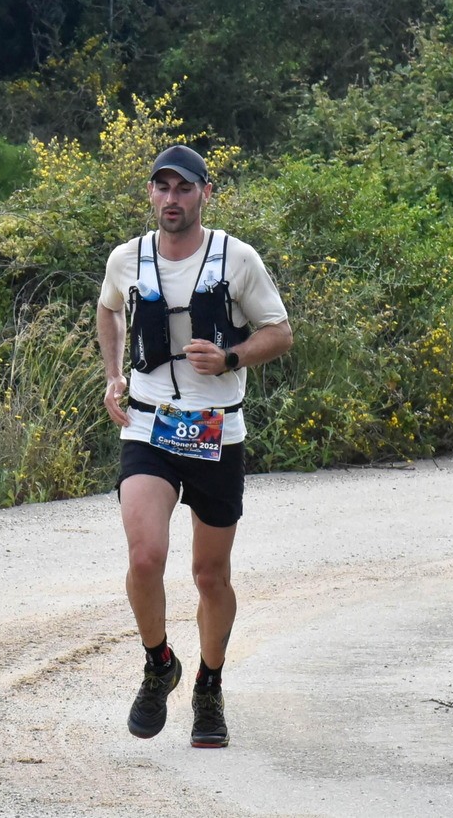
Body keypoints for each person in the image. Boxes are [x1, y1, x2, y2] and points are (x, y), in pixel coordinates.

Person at [95, 145, 293, 745]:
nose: (172, 199)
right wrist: (112, 375)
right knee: (144, 557)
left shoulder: (238, 259)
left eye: (184, 189)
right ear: (150, 194)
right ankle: (159, 665)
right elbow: (107, 311)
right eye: (162, 188)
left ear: (206, 192)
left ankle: (209, 686)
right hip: (150, 424)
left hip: (215, 430)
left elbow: (280, 332)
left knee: (210, 575)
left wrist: (231, 356)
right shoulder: (126, 259)